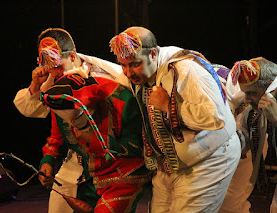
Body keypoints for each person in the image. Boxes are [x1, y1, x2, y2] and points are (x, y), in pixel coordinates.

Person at [109, 26, 241, 212]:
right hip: (170, 164)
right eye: (123, 65)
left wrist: (168, 106)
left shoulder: (185, 68)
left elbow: (215, 116)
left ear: (153, 54)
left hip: (210, 158)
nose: (128, 73)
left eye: (134, 64)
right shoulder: (139, 75)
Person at [13, 28, 123, 213]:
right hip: (73, 167)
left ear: (72, 56)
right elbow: (52, 128)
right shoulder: (55, 80)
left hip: (109, 170)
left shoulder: (104, 82)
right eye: (49, 67)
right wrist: (49, 159)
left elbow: (122, 137)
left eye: (57, 66)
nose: (53, 72)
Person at [40, 71, 152, 212]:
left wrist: (93, 139)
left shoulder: (122, 100)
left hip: (125, 175)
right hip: (90, 177)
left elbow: (137, 148)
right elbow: (55, 139)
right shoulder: (58, 101)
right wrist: (48, 161)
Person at [219, 57, 277, 213]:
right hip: (244, 150)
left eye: (251, 93)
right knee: (227, 202)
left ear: (269, 87)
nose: (246, 98)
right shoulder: (236, 91)